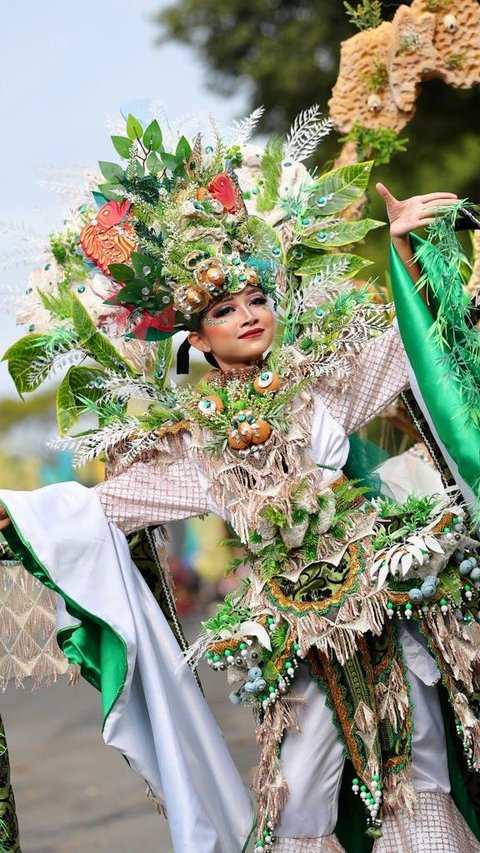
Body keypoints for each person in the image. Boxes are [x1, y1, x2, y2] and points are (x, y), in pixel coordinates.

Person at [0, 108, 479, 853]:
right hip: (294, 641)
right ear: (197, 336)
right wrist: (17, 517)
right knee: (296, 808)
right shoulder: (196, 442)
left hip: (387, 609)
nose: (249, 315)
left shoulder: (325, 383)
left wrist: (411, 254)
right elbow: (112, 504)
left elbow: (412, 349)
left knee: (419, 777)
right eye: (225, 308)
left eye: (258, 298)